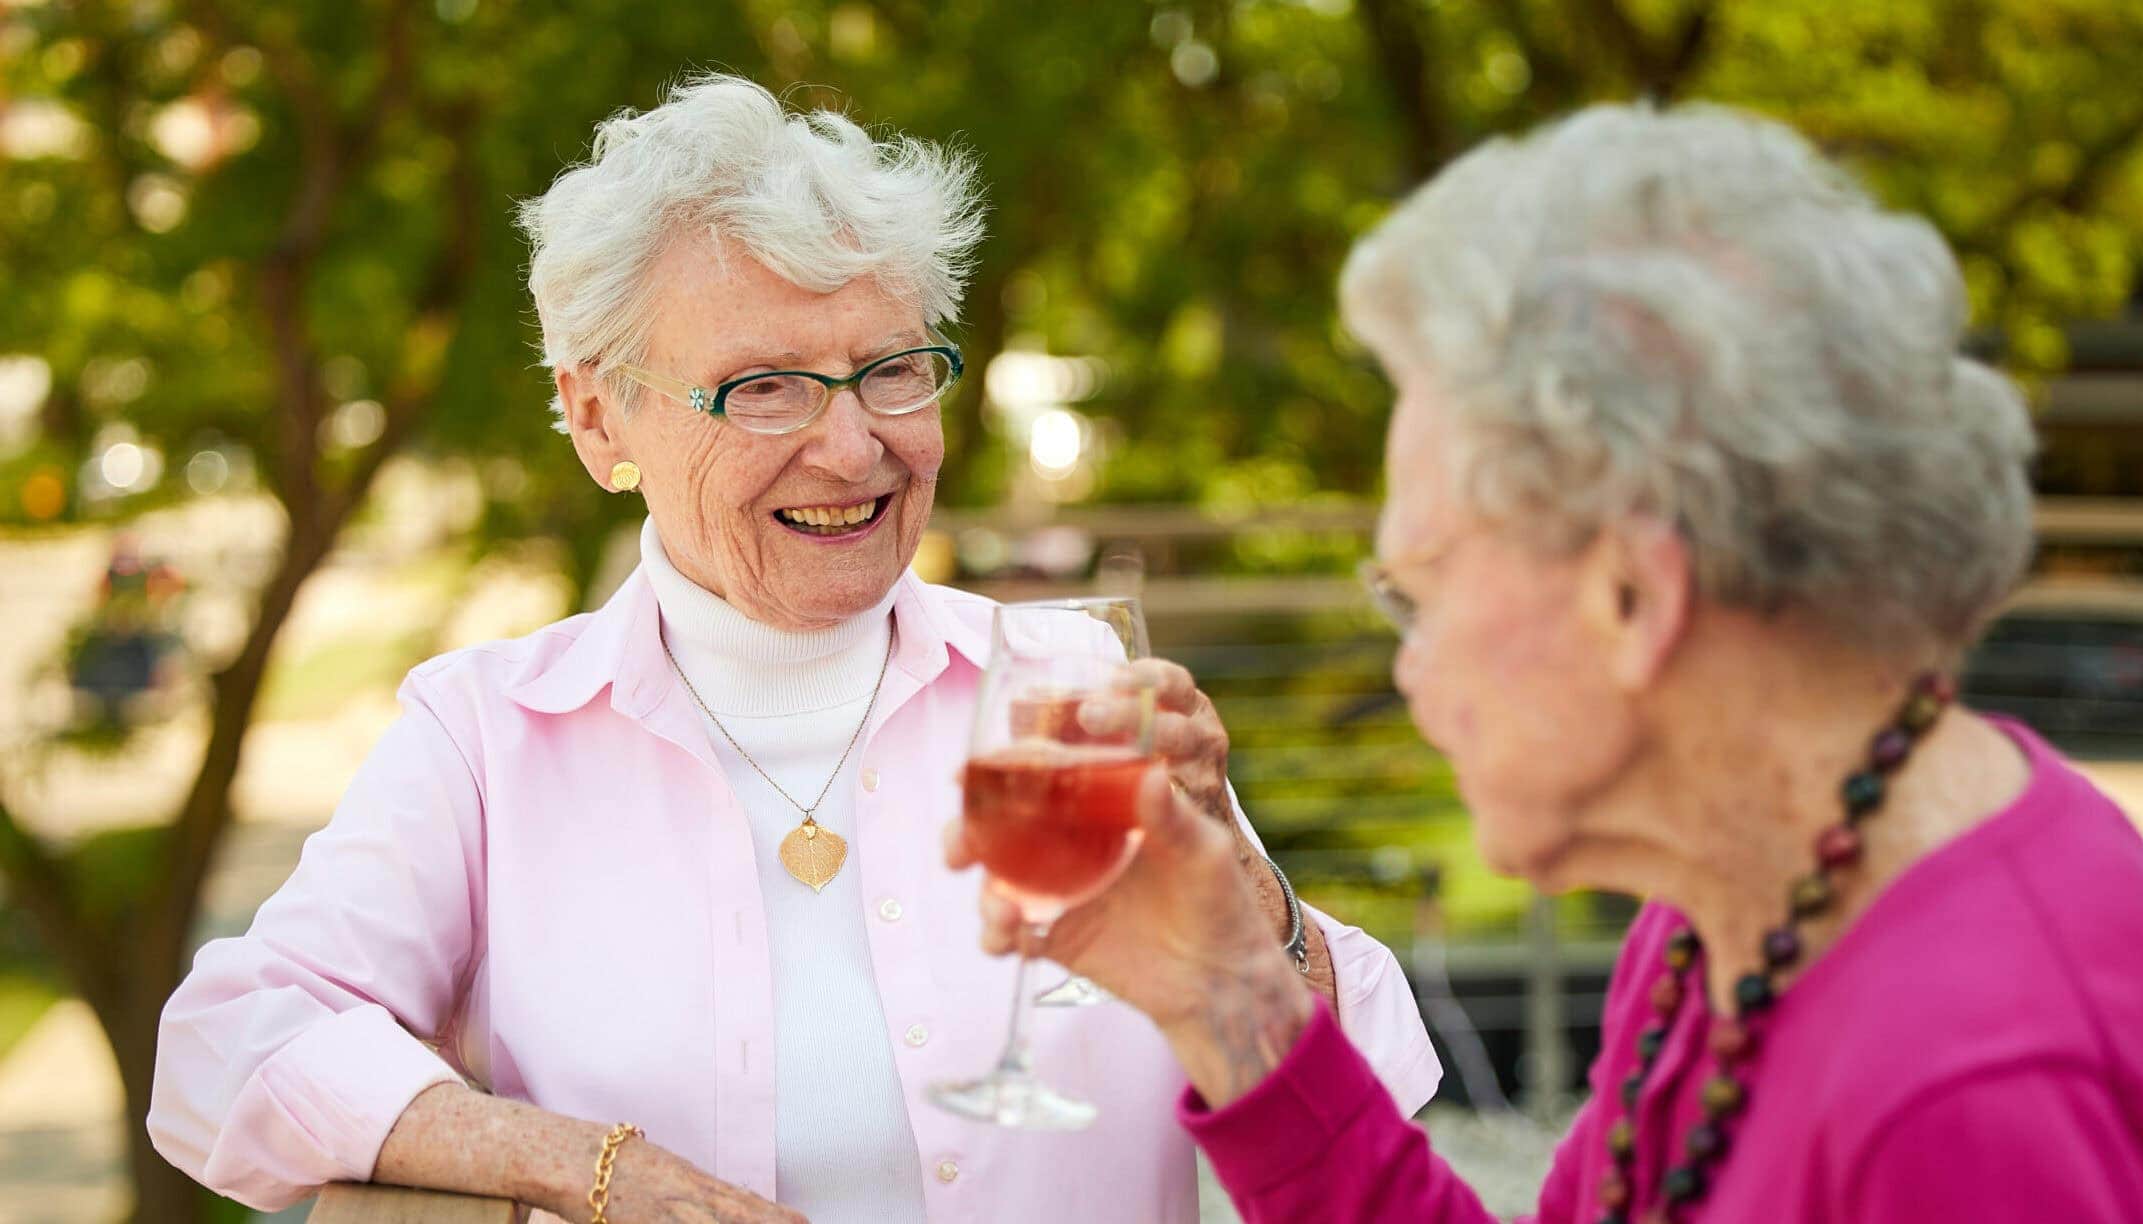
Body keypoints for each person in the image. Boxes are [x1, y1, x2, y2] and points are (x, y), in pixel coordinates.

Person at [955, 102, 2143, 1222]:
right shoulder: (1728, 910)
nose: (1412, 671)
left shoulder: (1969, 1093)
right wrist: (1224, 994)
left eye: (1418, 590)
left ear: (1633, 594)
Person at [147, 75, 1438, 1224]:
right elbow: (226, 1050)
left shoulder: (1064, 693)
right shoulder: (489, 738)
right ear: (600, 420)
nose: (852, 446)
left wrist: (1246, 906)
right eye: (764, 387)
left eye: (891, 371)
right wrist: (587, 1169)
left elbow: (1370, 1096)